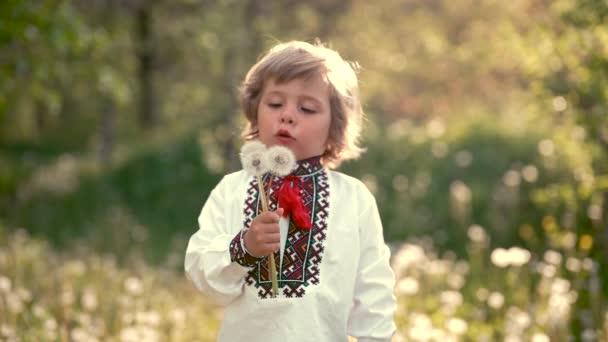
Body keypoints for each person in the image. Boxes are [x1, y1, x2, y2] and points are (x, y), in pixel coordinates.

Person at [185, 40, 396, 342]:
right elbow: (203, 276)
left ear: (335, 127)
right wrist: (244, 248)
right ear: (255, 110)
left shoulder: (354, 199)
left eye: (307, 108)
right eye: (275, 104)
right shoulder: (232, 190)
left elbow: (373, 294)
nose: (287, 115)